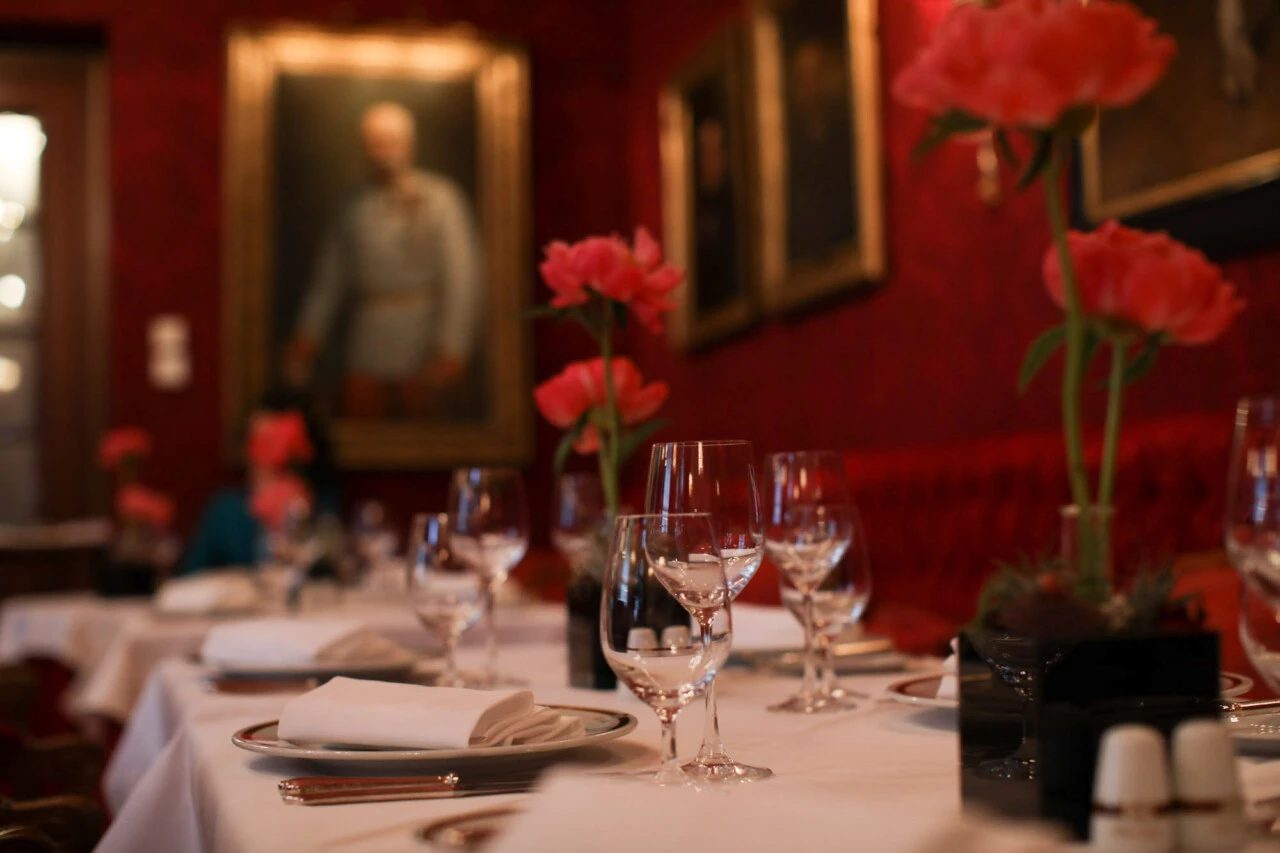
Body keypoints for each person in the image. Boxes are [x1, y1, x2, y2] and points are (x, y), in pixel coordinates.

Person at [284, 101, 484, 420]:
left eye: (390, 142)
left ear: (410, 144)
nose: (383, 152)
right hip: (368, 338)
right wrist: (309, 334)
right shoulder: (353, 205)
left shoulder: (442, 198)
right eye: (374, 143)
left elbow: (462, 277)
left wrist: (453, 346)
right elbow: (329, 278)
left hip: (423, 337)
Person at [180, 390, 338, 574]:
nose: (258, 458)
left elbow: (334, 578)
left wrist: (297, 520)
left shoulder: (321, 508)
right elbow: (187, 579)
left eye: (271, 444)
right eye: (254, 442)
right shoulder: (225, 511)